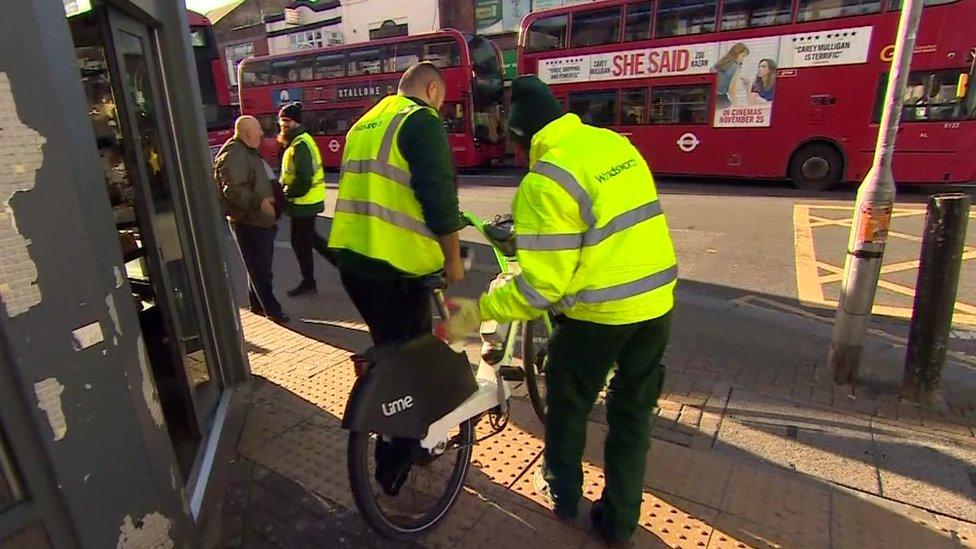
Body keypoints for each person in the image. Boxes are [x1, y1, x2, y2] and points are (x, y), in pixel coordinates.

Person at [441, 76, 677, 545]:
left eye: (514, 147)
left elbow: (539, 291)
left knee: (568, 408)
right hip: (658, 304)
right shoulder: (610, 142)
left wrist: (468, 316)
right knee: (632, 415)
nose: (514, 157)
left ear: (524, 139)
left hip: (599, 317)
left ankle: (562, 494)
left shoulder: (543, 182)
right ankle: (619, 523)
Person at [327, 62, 465, 494]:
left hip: (355, 264)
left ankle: (394, 432)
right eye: (440, 100)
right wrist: (454, 262)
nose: (440, 109)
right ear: (430, 89)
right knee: (412, 365)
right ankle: (398, 460)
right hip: (398, 270)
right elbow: (439, 198)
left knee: (391, 353)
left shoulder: (363, 124)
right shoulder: (420, 120)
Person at [214, 115, 289, 323]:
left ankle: (256, 304)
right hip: (249, 221)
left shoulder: (247, 151)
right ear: (247, 133)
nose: (262, 133)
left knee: (257, 265)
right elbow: (234, 190)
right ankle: (272, 310)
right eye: (258, 130)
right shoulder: (234, 155)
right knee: (260, 269)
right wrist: (260, 203)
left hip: (261, 220)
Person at [277, 102, 331, 296]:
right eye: (281, 120)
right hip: (304, 203)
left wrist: (284, 193)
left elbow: (303, 180)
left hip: (304, 203)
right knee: (310, 240)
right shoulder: (296, 142)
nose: (283, 124)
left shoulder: (300, 144)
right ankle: (340, 268)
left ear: (296, 122)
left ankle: (309, 281)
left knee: (301, 242)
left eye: (287, 121)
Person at [713, 43, 750, 109]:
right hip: (721, 100)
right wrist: (738, 106)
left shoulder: (716, 66)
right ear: (737, 53)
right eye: (743, 56)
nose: (743, 59)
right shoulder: (736, 67)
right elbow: (732, 91)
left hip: (710, 98)